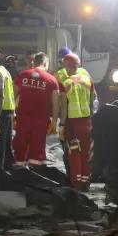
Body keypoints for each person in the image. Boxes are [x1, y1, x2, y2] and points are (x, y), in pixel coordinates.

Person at [12, 52, 59, 165]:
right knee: (37, 151)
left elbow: (12, 97)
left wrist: (13, 114)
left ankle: (19, 173)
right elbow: (56, 103)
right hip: (40, 121)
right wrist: (54, 122)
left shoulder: (22, 75)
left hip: (22, 119)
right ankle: (35, 175)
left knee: (20, 147)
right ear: (45, 63)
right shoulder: (52, 80)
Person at [55, 53, 94, 189]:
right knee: (86, 153)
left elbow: (64, 106)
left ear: (67, 66)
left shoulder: (66, 83)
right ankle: (86, 181)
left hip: (72, 125)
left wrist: (62, 124)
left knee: (74, 154)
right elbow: (92, 100)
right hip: (87, 123)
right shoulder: (88, 80)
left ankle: (76, 183)